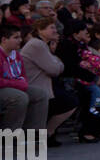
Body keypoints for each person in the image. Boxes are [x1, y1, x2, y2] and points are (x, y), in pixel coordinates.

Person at [0, 23, 44, 137]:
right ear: (4, 39)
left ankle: (32, 134)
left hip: (12, 86)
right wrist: (17, 84)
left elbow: (22, 75)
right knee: (19, 97)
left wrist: (20, 83)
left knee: (41, 94)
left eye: (20, 37)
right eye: (16, 37)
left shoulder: (16, 53)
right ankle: (8, 135)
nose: (20, 40)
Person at [22, 17, 73, 146]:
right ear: (40, 30)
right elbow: (54, 69)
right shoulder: (37, 44)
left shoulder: (43, 45)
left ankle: (48, 133)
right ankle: (47, 133)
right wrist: (57, 61)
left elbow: (55, 66)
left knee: (70, 100)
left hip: (45, 84)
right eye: (51, 27)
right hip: (36, 85)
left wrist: (55, 60)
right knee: (70, 102)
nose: (55, 30)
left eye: (55, 27)